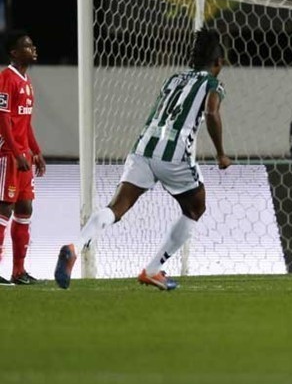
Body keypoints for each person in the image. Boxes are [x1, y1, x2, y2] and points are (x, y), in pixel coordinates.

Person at [54, 30, 233, 291]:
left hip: (143, 149)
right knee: (195, 208)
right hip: (174, 155)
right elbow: (211, 112)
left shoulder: (174, 79)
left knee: (117, 207)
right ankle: (152, 269)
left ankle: (76, 245)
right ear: (218, 63)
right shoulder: (213, 84)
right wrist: (220, 153)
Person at [0, 32, 46, 286]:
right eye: (27, 46)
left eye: (32, 44)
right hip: (8, 154)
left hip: (23, 155)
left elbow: (24, 122)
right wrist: (17, 153)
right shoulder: (6, 79)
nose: (33, 48)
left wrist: (36, 151)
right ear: (14, 53)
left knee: (25, 207)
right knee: (4, 208)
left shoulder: (26, 81)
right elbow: (3, 118)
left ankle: (19, 271)